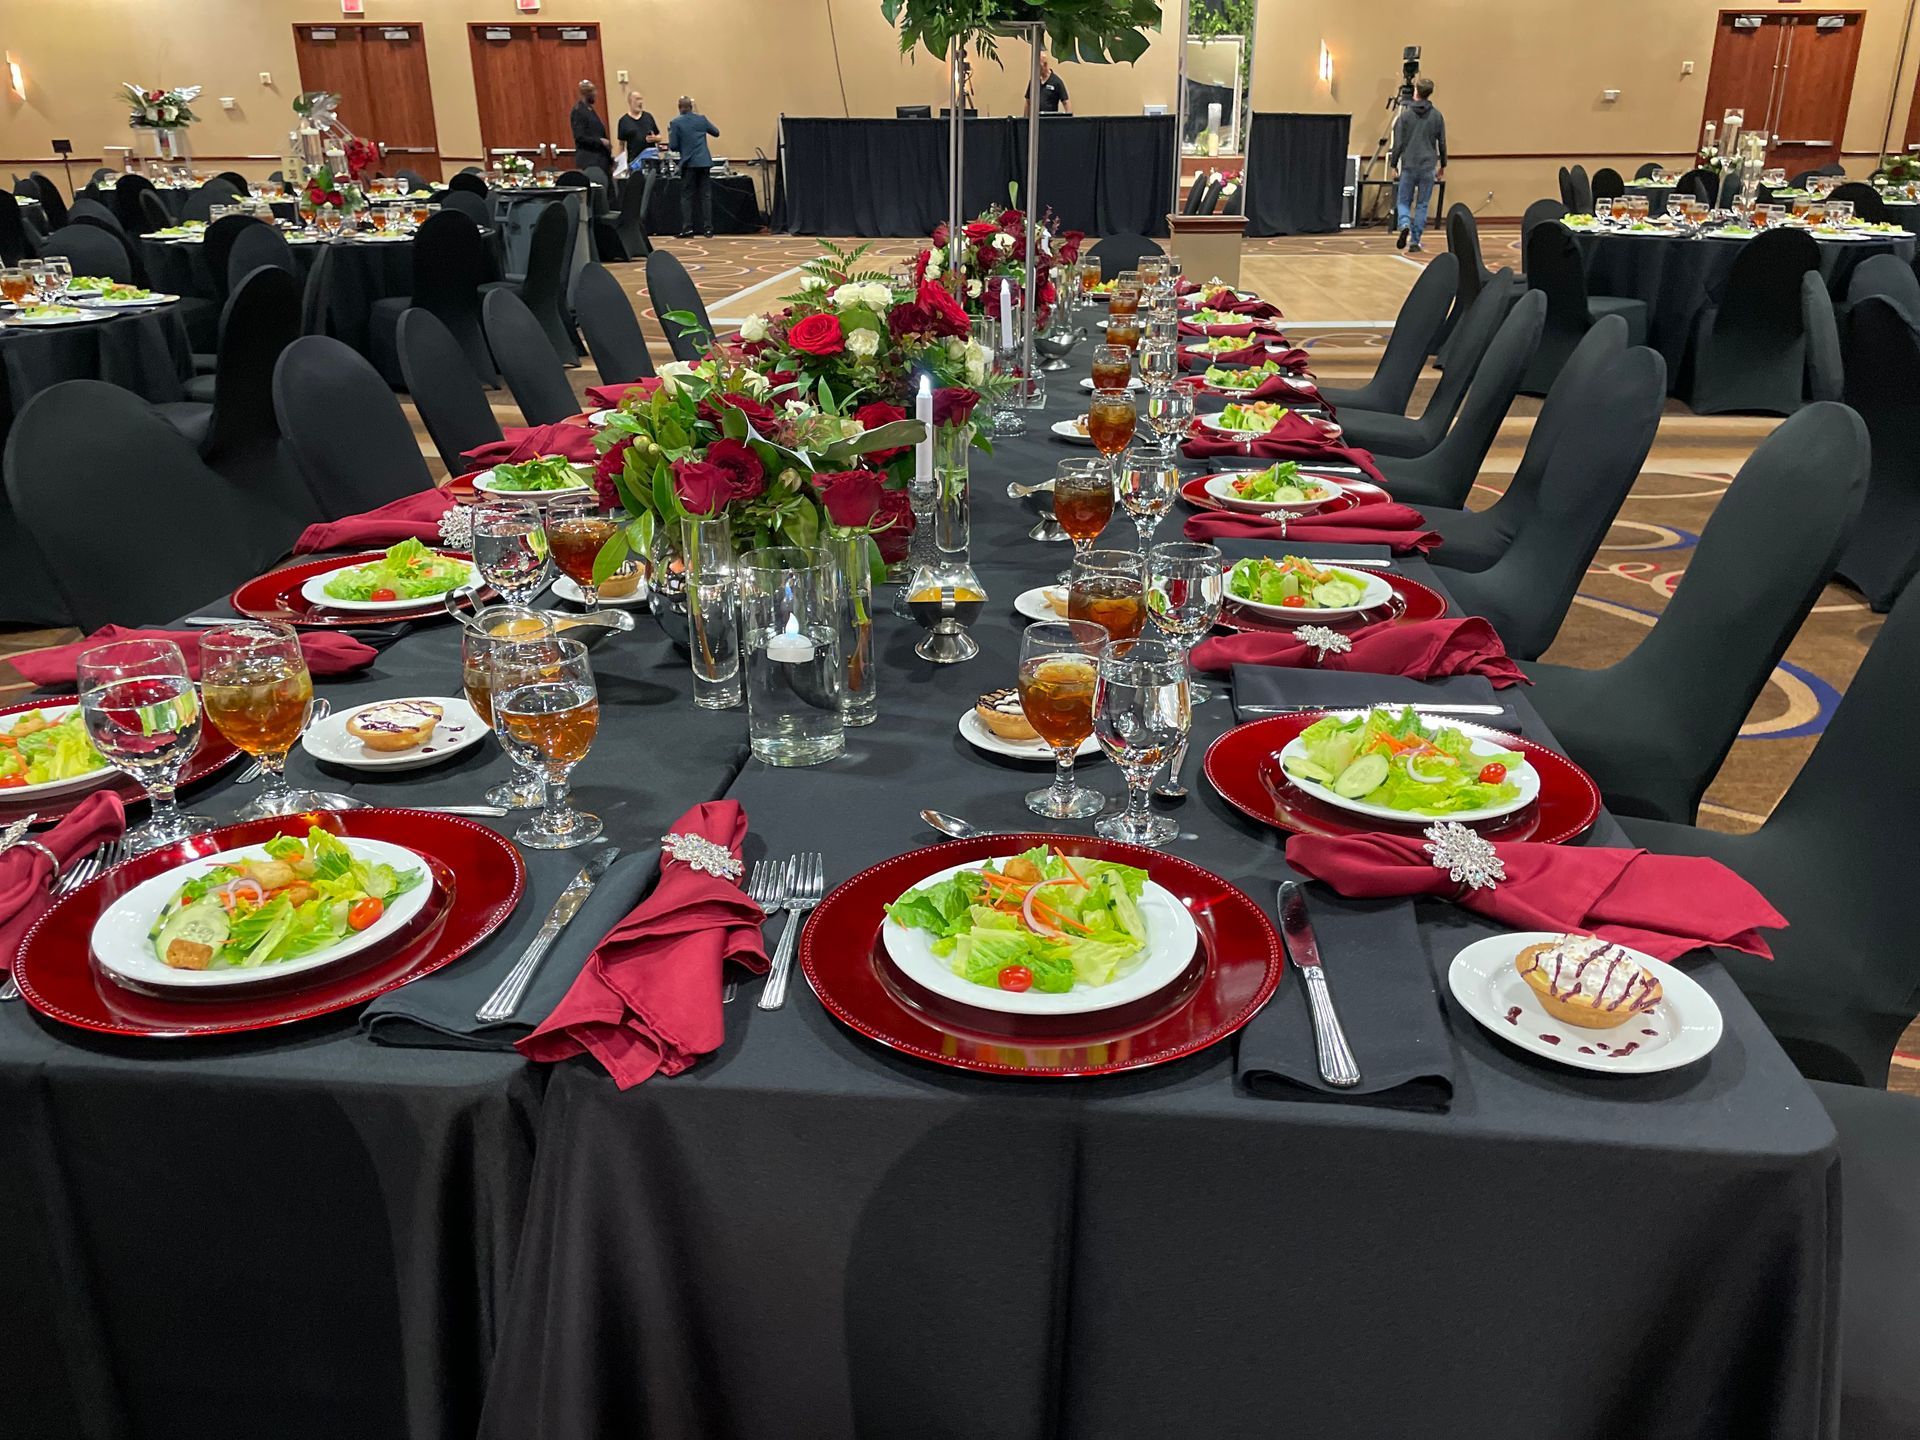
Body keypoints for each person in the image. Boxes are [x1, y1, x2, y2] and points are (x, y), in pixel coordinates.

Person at [1391, 76, 1447, 253]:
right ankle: (1415, 241)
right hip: (1428, 165)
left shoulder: (1405, 116)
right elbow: (1442, 143)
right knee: (1422, 204)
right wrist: (1443, 164)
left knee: (1403, 201)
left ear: (1416, 91)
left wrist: (1393, 164)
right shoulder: (1437, 116)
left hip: (1409, 164)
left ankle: (1404, 223)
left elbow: (1398, 143)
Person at [668, 95, 720, 239]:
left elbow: (673, 146)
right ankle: (708, 229)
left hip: (689, 163)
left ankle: (687, 228)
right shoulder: (702, 119)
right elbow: (716, 132)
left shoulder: (676, 123)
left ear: (679, 108)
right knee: (706, 196)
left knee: (686, 196)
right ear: (691, 107)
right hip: (704, 162)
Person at [570, 79, 613, 177]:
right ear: (586, 94)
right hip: (590, 160)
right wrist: (600, 141)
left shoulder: (590, 110)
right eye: (593, 92)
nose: (596, 94)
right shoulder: (578, 111)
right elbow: (579, 137)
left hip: (601, 160)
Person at [618, 91, 661, 167]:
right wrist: (621, 165)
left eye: (641, 99)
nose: (640, 102)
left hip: (651, 161)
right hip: (634, 162)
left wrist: (655, 138)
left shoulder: (648, 117)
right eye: (637, 99)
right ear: (630, 101)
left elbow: (659, 137)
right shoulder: (623, 121)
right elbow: (621, 145)